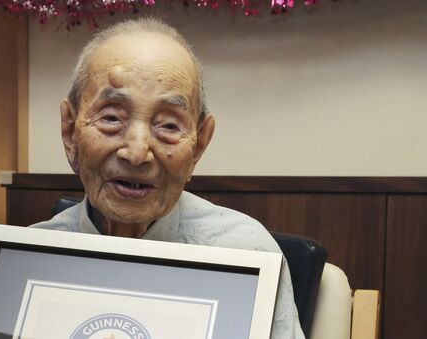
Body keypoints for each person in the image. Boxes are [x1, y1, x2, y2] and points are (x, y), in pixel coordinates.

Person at [32, 17, 305, 338]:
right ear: (69, 131)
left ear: (199, 145)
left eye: (168, 125)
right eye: (111, 118)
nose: (136, 152)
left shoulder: (245, 254)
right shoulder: (29, 261)